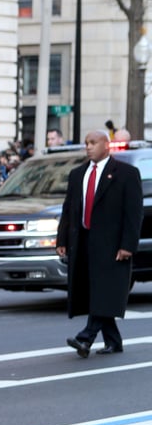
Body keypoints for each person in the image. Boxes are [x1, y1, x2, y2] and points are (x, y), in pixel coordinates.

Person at [56, 129, 142, 357]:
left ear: (106, 145)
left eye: (93, 142)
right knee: (96, 291)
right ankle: (113, 341)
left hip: (112, 244)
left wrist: (128, 245)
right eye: (86, 143)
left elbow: (134, 214)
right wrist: (62, 239)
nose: (88, 147)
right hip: (83, 240)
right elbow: (69, 210)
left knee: (104, 291)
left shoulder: (125, 173)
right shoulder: (77, 174)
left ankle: (85, 338)